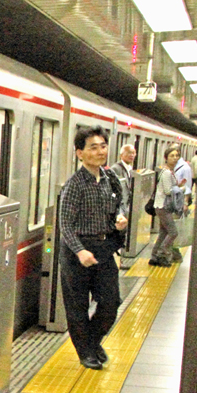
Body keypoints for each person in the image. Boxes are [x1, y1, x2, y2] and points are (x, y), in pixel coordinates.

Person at [57, 126, 128, 371]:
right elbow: (64, 225)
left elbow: (119, 205)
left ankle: (92, 342)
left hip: (104, 247)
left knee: (111, 302)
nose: (100, 151)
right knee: (77, 306)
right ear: (80, 153)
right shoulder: (74, 185)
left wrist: (120, 218)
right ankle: (85, 353)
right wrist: (79, 251)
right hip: (77, 250)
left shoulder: (110, 179)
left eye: (103, 146)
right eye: (93, 147)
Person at [149, 146, 184, 267]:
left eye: (177, 156)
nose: (175, 158)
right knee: (173, 232)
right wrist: (180, 189)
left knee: (163, 232)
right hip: (163, 206)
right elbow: (168, 191)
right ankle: (162, 253)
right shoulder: (167, 173)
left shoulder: (168, 171)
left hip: (161, 206)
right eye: (172, 156)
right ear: (166, 158)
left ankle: (154, 256)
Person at [109, 144, 136, 215]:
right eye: (129, 152)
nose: (132, 155)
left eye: (133, 153)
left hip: (126, 205)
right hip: (119, 206)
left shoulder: (130, 169)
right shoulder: (116, 168)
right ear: (121, 155)